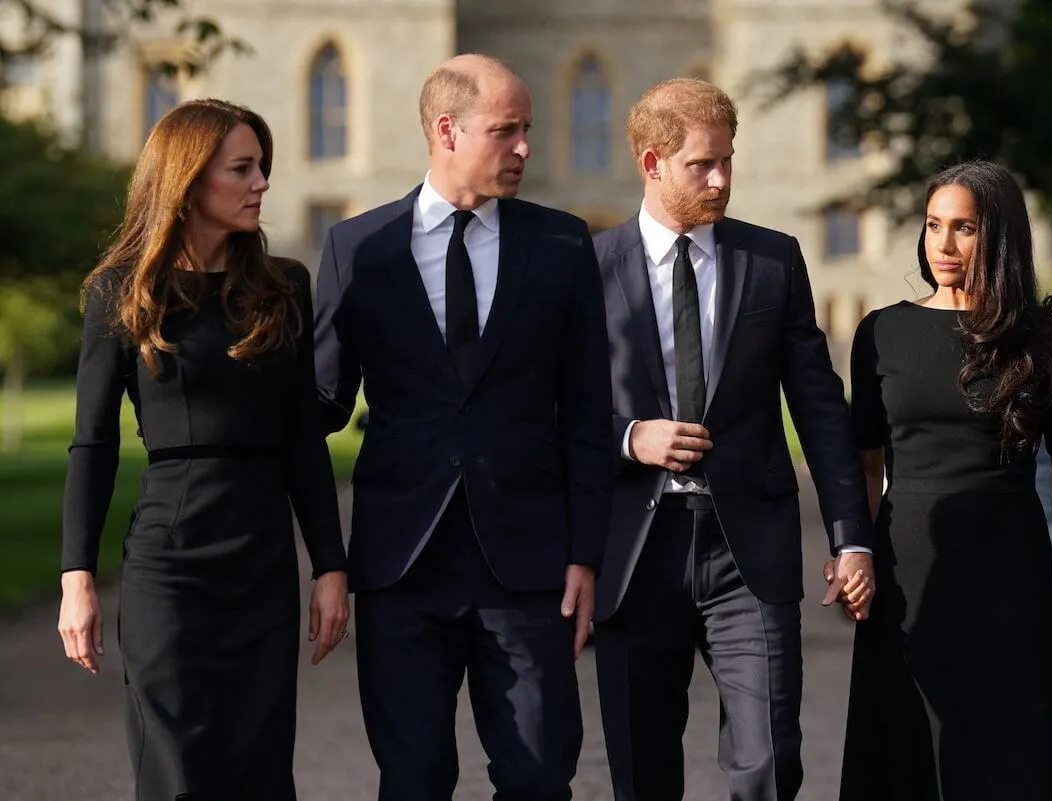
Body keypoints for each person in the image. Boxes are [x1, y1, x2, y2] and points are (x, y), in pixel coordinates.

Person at [312, 54, 612, 801]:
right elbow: (316, 408)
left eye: (527, 130)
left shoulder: (563, 244)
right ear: (446, 130)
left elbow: (586, 411)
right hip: (400, 565)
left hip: (529, 570)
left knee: (540, 776)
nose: (524, 149)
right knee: (413, 779)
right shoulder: (359, 249)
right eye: (506, 130)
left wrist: (586, 554)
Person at [590, 77, 875, 801]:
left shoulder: (772, 262)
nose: (721, 180)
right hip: (634, 553)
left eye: (728, 161)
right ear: (652, 164)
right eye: (701, 165)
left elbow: (819, 406)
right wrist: (629, 437)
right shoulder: (586, 270)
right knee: (642, 772)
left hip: (747, 553)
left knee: (770, 763)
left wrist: (850, 534)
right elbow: (547, 411)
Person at [57, 99, 351, 800]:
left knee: (257, 768)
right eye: (242, 169)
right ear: (188, 180)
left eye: (262, 168)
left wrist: (330, 566)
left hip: (262, 561)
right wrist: (76, 577)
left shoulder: (285, 288)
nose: (260, 184)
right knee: (176, 770)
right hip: (169, 565)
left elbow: (303, 440)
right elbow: (92, 444)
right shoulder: (120, 293)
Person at [838, 160, 1052, 801]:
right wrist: (850, 553)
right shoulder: (882, 333)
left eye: (963, 228)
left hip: (1007, 580)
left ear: (999, 236)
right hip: (906, 575)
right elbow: (863, 468)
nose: (942, 244)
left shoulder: (1046, 343)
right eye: (934, 224)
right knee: (902, 754)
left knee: (1003, 759)